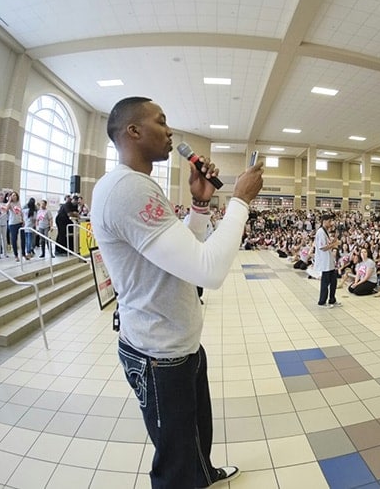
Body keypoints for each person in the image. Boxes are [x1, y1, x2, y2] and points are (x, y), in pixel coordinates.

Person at [91, 96, 263, 489]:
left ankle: (203, 473)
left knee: (196, 436)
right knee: (175, 462)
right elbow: (209, 270)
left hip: (178, 345)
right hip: (159, 355)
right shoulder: (128, 190)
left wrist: (201, 205)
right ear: (133, 131)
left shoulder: (136, 186)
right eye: (160, 121)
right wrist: (239, 201)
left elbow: (181, 259)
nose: (170, 131)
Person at [314, 213, 340, 308]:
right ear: (324, 221)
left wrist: (335, 239)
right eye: (329, 221)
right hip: (325, 262)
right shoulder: (321, 232)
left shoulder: (325, 231)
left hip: (329, 261)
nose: (331, 223)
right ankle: (322, 302)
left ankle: (332, 300)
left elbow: (328, 244)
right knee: (325, 283)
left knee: (333, 281)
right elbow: (323, 247)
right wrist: (335, 244)